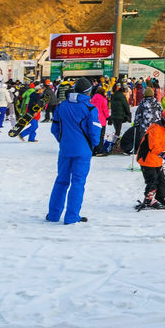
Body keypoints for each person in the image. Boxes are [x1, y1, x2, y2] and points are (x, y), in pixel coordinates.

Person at [47, 78, 101, 224]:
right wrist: (92, 146)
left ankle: (53, 215)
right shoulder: (90, 108)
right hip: (83, 151)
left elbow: (55, 129)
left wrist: (63, 141)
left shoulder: (62, 106)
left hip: (65, 149)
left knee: (61, 181)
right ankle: (71, 216)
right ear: (88, 92)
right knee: (78, 183)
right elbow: (95, 131)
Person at [137, 108, 165, 209]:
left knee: (162, 181)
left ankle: (161, 197)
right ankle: (149, 200)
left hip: (157, 160)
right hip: (147, 159)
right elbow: (153, 146)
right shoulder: (155, 129)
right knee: (152, 181)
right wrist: (162, 154)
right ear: (164, 120)